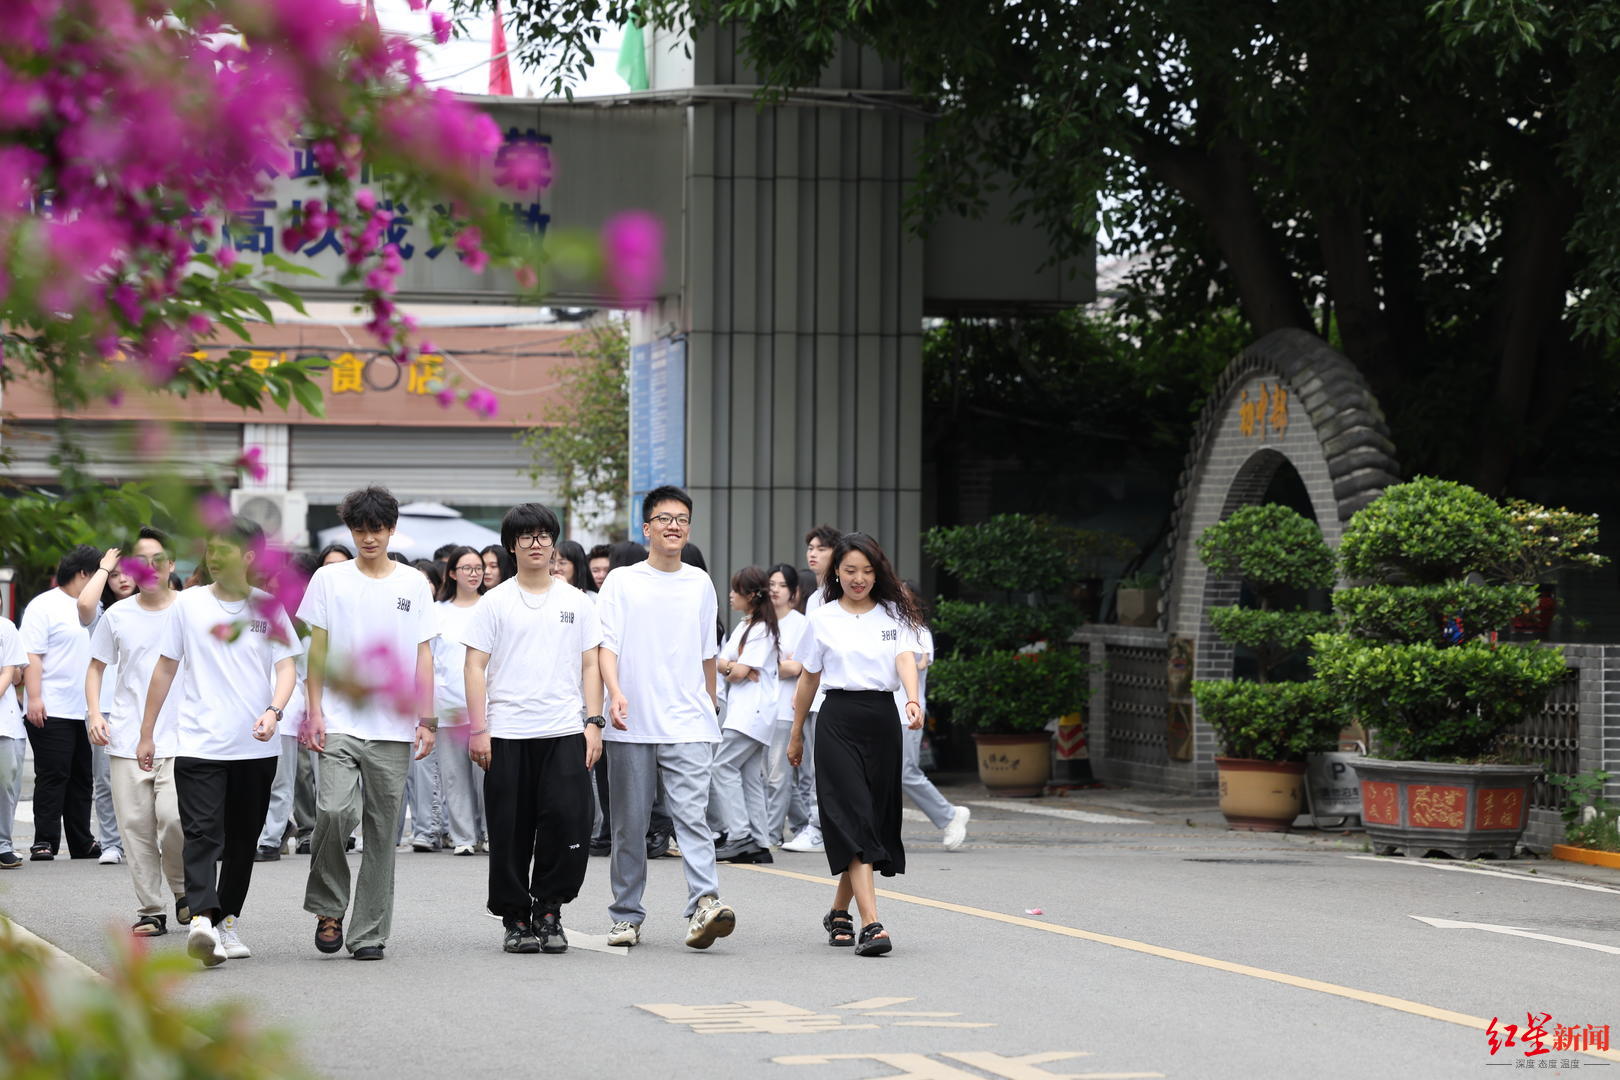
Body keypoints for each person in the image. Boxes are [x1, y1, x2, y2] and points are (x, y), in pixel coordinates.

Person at [138, 516, 301, 966]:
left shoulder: (268, 608)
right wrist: (147, 732)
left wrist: (274, 711)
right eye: (209, 547)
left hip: (255, 746)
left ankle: (228, 922)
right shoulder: (187, 605)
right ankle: (202, 921)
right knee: (201, 833)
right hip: (199, 742)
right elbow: (166, 668)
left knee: (242, 840)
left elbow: (287, 668)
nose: (212, 555)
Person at [596, 485, 736, 950]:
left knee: (692, 816)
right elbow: (607, 645)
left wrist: (711, 702)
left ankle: (705, 902)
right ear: (647, 527)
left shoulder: (699, 582)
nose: (673, 525)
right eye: (664, 518)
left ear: (688, 528)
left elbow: (706, 653)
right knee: (629, 825)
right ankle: (626, 916)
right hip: (631, 722)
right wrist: (614, 693)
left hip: (688, 720)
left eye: (681, 519)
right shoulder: (621, 581)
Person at [300, 486, 436, 962]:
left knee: (383, 832)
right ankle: (329, 907)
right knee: (334, 813)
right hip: (338, 717)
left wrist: (428, 718)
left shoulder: (415, 584)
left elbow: (423, 655)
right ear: (350, 530)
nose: (368, 538)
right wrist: (312, 709)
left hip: (394, 726)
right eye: (360, 529)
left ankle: (369, 932)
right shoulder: (329, 579)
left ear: (391, 529)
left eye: (376, 529)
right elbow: (316, 648)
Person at [464, 504, 603, 954]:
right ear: (511, 545)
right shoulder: (495, 601)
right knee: (510, 829)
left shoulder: (575, 601)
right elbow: (474, 665)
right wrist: (478, 727)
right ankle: (515, 917)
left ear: (554, 543)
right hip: (506, 731)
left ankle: (549, 909)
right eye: (527, 537)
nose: (537, 544)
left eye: (544, 535)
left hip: (564, 729)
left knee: (567, 822)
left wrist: (593, 722)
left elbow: (590, 664)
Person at [788, 532, 924, 957]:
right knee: (853, 816)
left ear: (877, 572)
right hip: (837, 722)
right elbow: (809, 677)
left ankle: (838, 913)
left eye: (867, 571)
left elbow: (905, 658)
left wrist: (913, 698)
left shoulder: (894, 615)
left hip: (883, 720)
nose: (859, 578)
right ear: (836, 573)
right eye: (850, 571)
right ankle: (873, 925)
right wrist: (796, 733)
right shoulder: (822, 617)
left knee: (870, 822)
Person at [85, 528, 187, 934]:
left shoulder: (191, 609)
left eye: (156, 559)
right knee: (136, 827)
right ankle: (151, 909)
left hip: (182, 736)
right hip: (126, 737)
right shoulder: (118, 615)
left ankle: (182, 890)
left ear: (171, 564)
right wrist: (95, 713)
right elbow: (95, 668)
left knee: (175, 819)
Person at [20, 544, 102, 861]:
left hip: (86, 709)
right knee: (54, 774)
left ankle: (82, 842)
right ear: (83, 573)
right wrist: (35, 697)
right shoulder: (45, 606)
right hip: (51, 705)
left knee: (82, 776)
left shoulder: (97, 608)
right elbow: (32, 656)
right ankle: (44, 841)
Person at [711, 567, 781, 864]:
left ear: (751, 595)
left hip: (751, 712)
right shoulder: (746, 625)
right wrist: (732, 667)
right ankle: (759, 841)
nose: (731, 595)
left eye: (735, 590)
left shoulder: (762, 628)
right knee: (750, 775)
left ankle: (740, 836)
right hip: (747, 711)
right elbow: (723, 663)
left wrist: (732, 667)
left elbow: (736, 671)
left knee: (721, 767)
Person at [894, 583, 970, 850]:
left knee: (905, 772)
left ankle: (949, 815)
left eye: (901, 595)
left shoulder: (920, 632)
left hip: (908, 714)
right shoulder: (887, 628)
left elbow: (919, 663)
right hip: (883, 712)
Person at [782, 525, 843, 854]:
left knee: (823, 769)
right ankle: (816, 827)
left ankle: (819, 828)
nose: (812, 553)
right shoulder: (816, 598)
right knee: (811, 767)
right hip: (816, 694)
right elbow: (811, 655)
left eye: (820, 548)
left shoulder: (838, 594)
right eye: (810, 548)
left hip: (836, 694)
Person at [256, 552, 319, 862]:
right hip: (253, 707)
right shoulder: (256, 612)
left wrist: (309, 713)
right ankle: (266, 833)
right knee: (257, 778)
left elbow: (306, 674)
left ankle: (269, 840)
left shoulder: (306, 623)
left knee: (281, 779)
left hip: (289, 709)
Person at [77, 547, 136, 865]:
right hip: (108, 708)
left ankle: (147, 840)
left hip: (149, 706)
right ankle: (112, 842)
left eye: (128, 572)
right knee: (105, 779)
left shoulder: (161, 609)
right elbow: (84, 603)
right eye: (115, 576)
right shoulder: (103, 617)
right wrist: (104, 567)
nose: (122, 579)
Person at [427, 545, 486, 856]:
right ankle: (463, 836)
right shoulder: (439, 612)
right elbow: (429, 661)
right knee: (454, 775)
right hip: (449, 705)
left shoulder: (492, 606)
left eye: (478, 568)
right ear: (452, 573)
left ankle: (491, 833)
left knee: (489, 775)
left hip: (487, 707)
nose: (474, 573)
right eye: (467, 568)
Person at [763, 564, 809, 847]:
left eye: (781, 585)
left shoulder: (800, 623)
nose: (775, 590)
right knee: (773, 775)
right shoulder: (760, 622)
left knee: (777, 774)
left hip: (785, 708)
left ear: (793, 592)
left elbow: (800, 666)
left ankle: (770, 833)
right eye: (771, 584)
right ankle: (804, 824)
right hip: (760, 708)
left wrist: (765, 665)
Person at [0, 615, 27, 870]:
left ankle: (2, 845)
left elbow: (12, 674)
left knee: (6, 783)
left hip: (4, 723)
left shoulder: (5, 628)